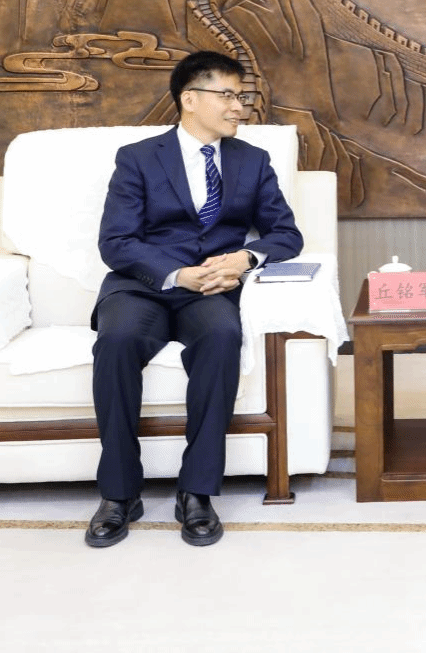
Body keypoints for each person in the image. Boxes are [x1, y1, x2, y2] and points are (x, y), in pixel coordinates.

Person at [85, 50, 303, 548]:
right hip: (143, 286)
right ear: (189, 99)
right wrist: (175, 274)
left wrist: (244, 259)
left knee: (223, 337)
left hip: (210, 290)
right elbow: (116, 242)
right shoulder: (138, 158)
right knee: (117, 341)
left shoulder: (252, 161)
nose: (239, 107)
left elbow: (286, 234)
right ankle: (119, 493)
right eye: (227, 96)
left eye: (241, 97)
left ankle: (197, 491)